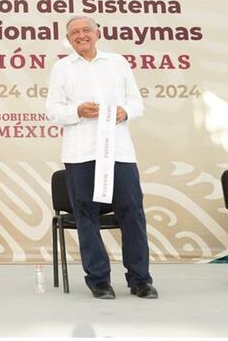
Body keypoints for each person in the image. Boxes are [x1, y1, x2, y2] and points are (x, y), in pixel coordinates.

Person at [45, 15, 157, 299]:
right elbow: (53, 110)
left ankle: (140, 279)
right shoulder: (62, 68)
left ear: (98, 33)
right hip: (81, 154)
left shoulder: (117, 63)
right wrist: (77, 111)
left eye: (86, 30)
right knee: (86, 216)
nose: (81, 36)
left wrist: (125, 112)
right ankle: (98, 281)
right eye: (74, 33)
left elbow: (136, 103)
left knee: (132, 214)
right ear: (68, 40)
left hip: (119, 152)